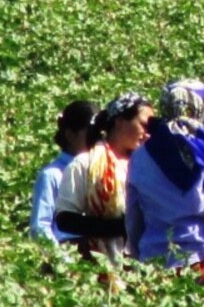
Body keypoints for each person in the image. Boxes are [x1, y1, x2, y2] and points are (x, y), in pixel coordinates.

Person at [125, 80, 204, 286]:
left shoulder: (141, 155)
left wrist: (135, 252)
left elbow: (134, 213)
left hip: (154, 262)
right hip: (202, 258)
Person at [55, 92, 155, 268]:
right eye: (143, 125)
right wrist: (115, 227)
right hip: (100, 263)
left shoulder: (149, 166)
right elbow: (65, 219)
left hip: (146, 261)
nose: (147, 134)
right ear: (119, 121)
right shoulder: (85, 164)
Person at [30, 100, 99, 244]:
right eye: (90, 133)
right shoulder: (52, 175)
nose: (96, 139)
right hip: (69, 253)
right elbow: (40, 227)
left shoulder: (104, 171)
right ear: (70, 135)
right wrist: (64, 260)